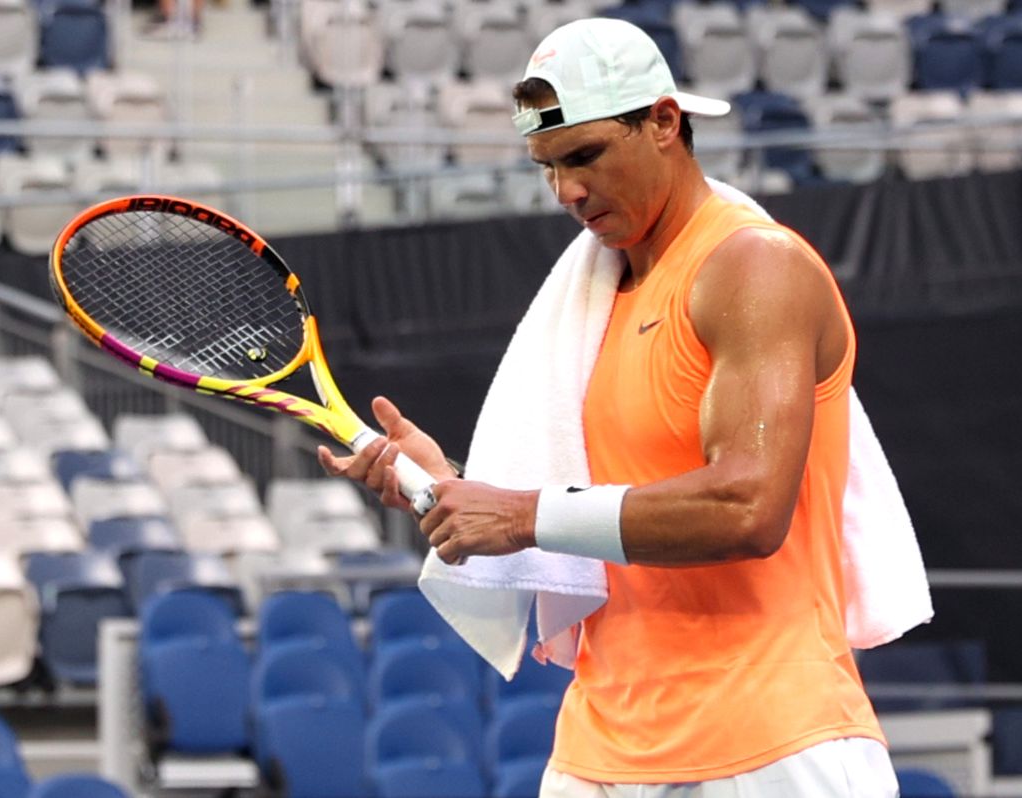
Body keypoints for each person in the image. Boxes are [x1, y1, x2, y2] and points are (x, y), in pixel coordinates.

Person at [319, 16, 898, 798]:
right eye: (547, 168)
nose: (568, 192)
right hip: (602, 746)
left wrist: (521, 513)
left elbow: (748, 509)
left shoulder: (754, 268)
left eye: (585, 156)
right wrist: (449, 484)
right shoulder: (595, 300)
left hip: (773, 744)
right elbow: (606, 492)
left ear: (664, 121)